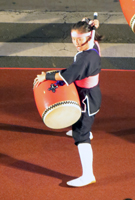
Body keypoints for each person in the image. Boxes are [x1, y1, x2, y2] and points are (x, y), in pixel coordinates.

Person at [35, 17, 102, 187]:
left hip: (86, 98)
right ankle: (85, 130)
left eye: (80, 39)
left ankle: (88, 174)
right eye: (73, 39)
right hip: (88, 93)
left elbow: (65, 77)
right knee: (82, 123)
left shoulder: (86, 59)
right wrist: (89, 23)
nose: (76, 43)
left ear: (89, 36)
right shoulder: (93, 46)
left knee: (81, 135)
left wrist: (46, 76)